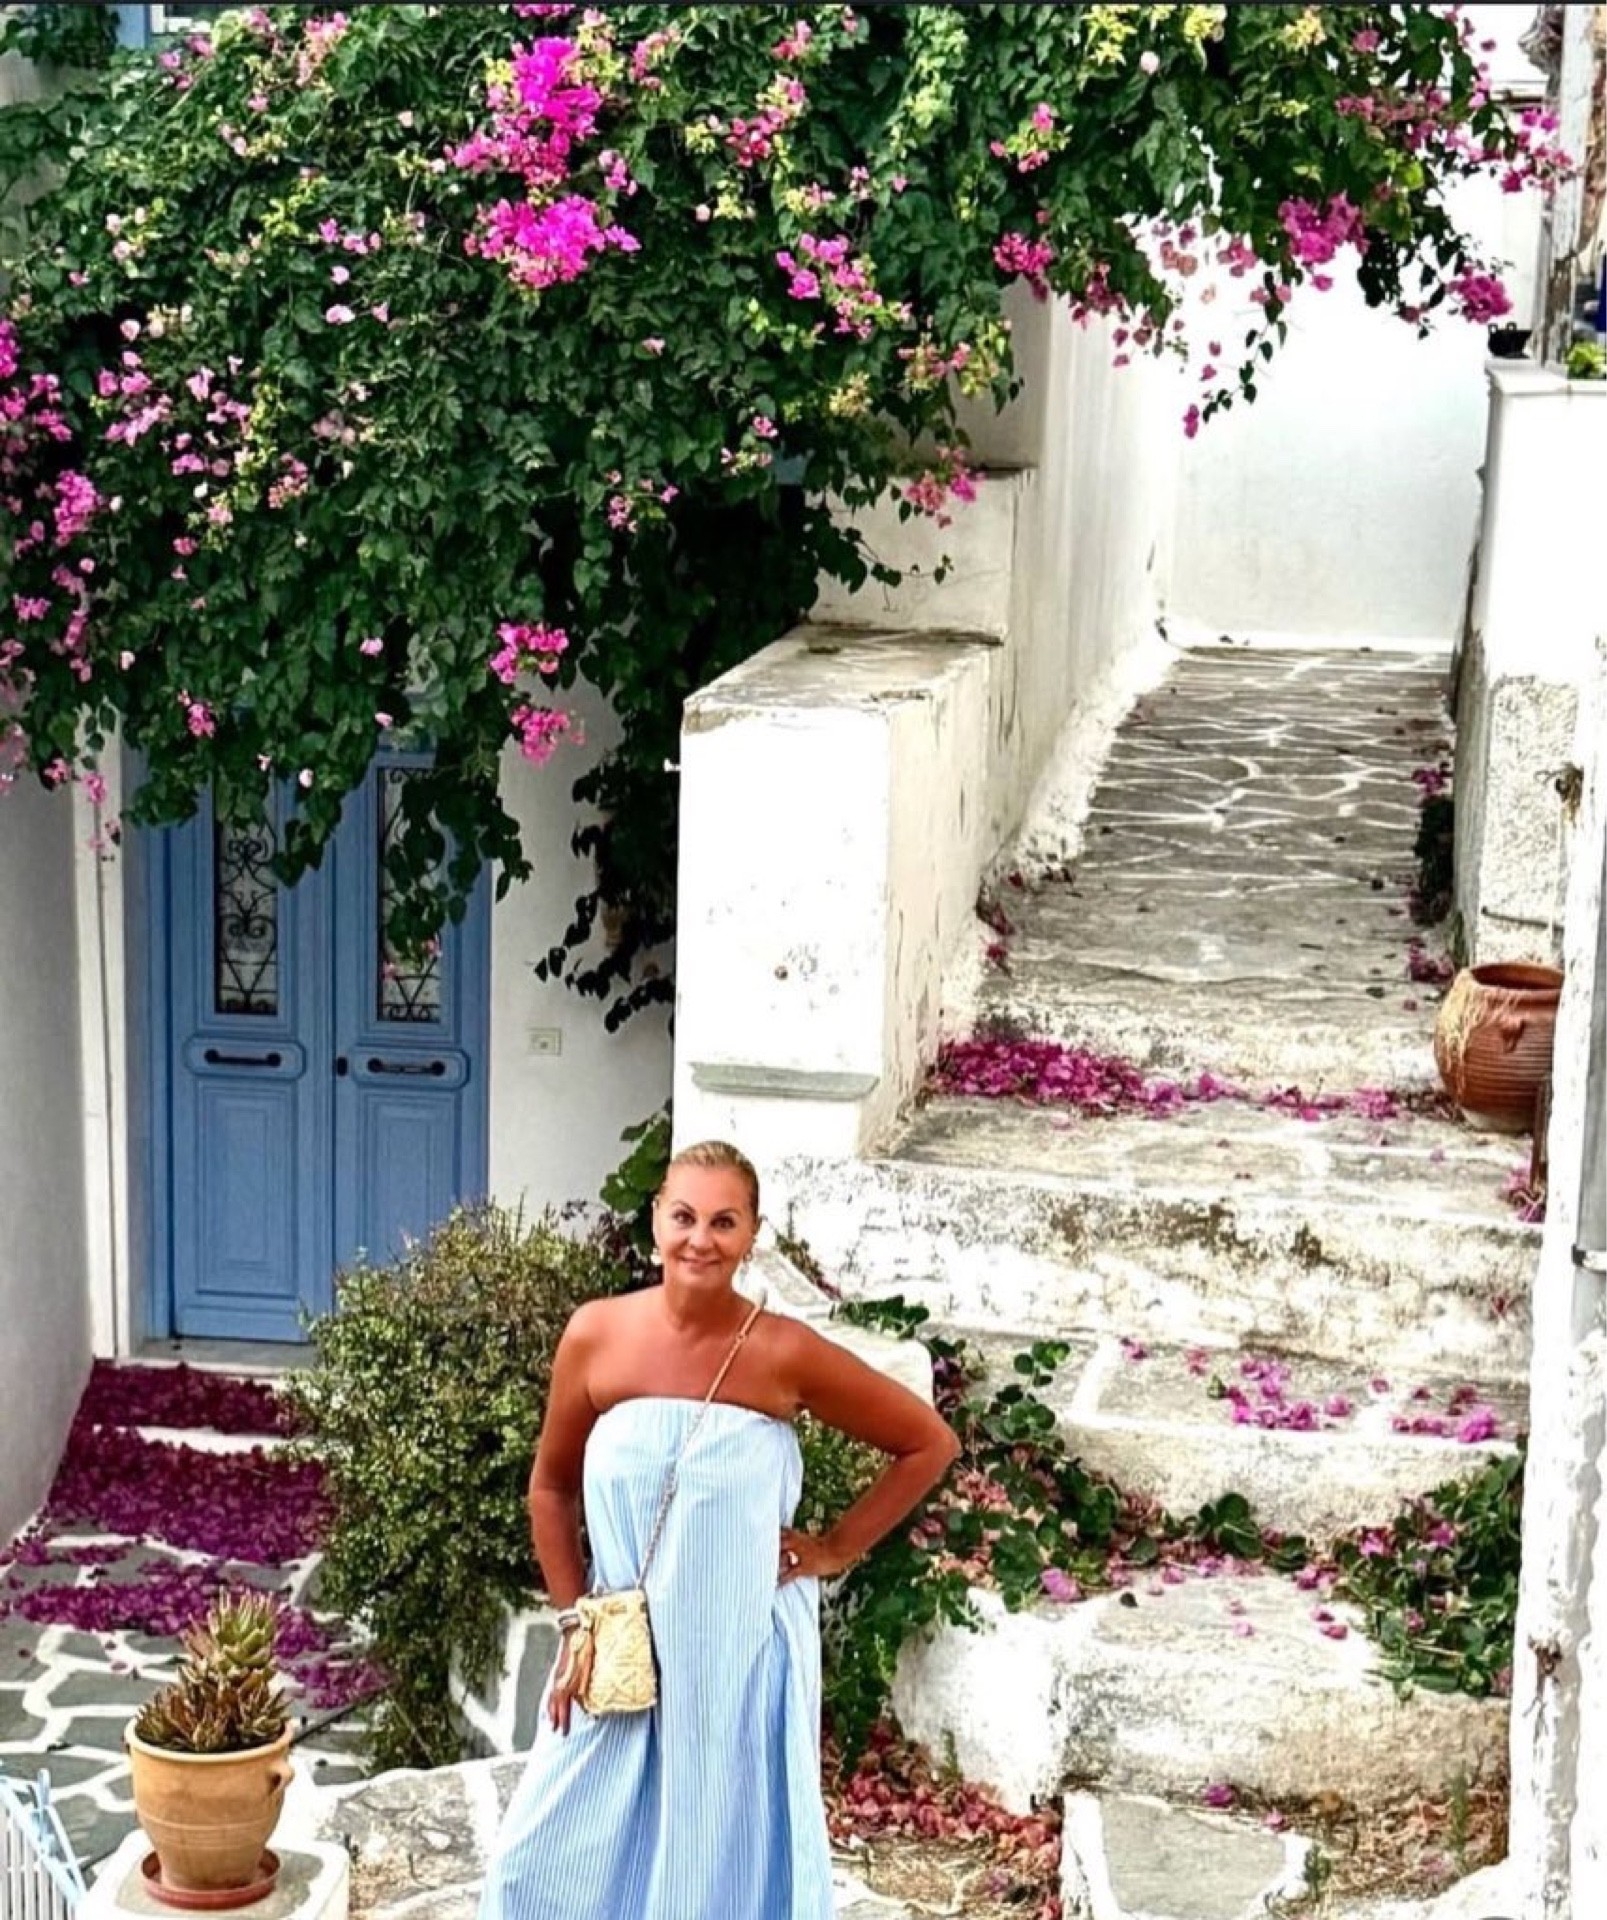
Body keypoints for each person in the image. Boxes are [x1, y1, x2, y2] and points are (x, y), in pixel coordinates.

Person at [478, 1138, 960, 1920]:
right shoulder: (597, 1334)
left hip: (740, 1649)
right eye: (684, 1216)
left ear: (751, 1234)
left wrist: (836, 1548)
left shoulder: (783, 1352)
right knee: (530, 1865)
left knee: (723, 1864)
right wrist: (574, 1624)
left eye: (723, 1221)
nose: (699, 1239)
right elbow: (550, 1488)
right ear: (655, 1221)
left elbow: (927, 1443)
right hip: (625, 1646)